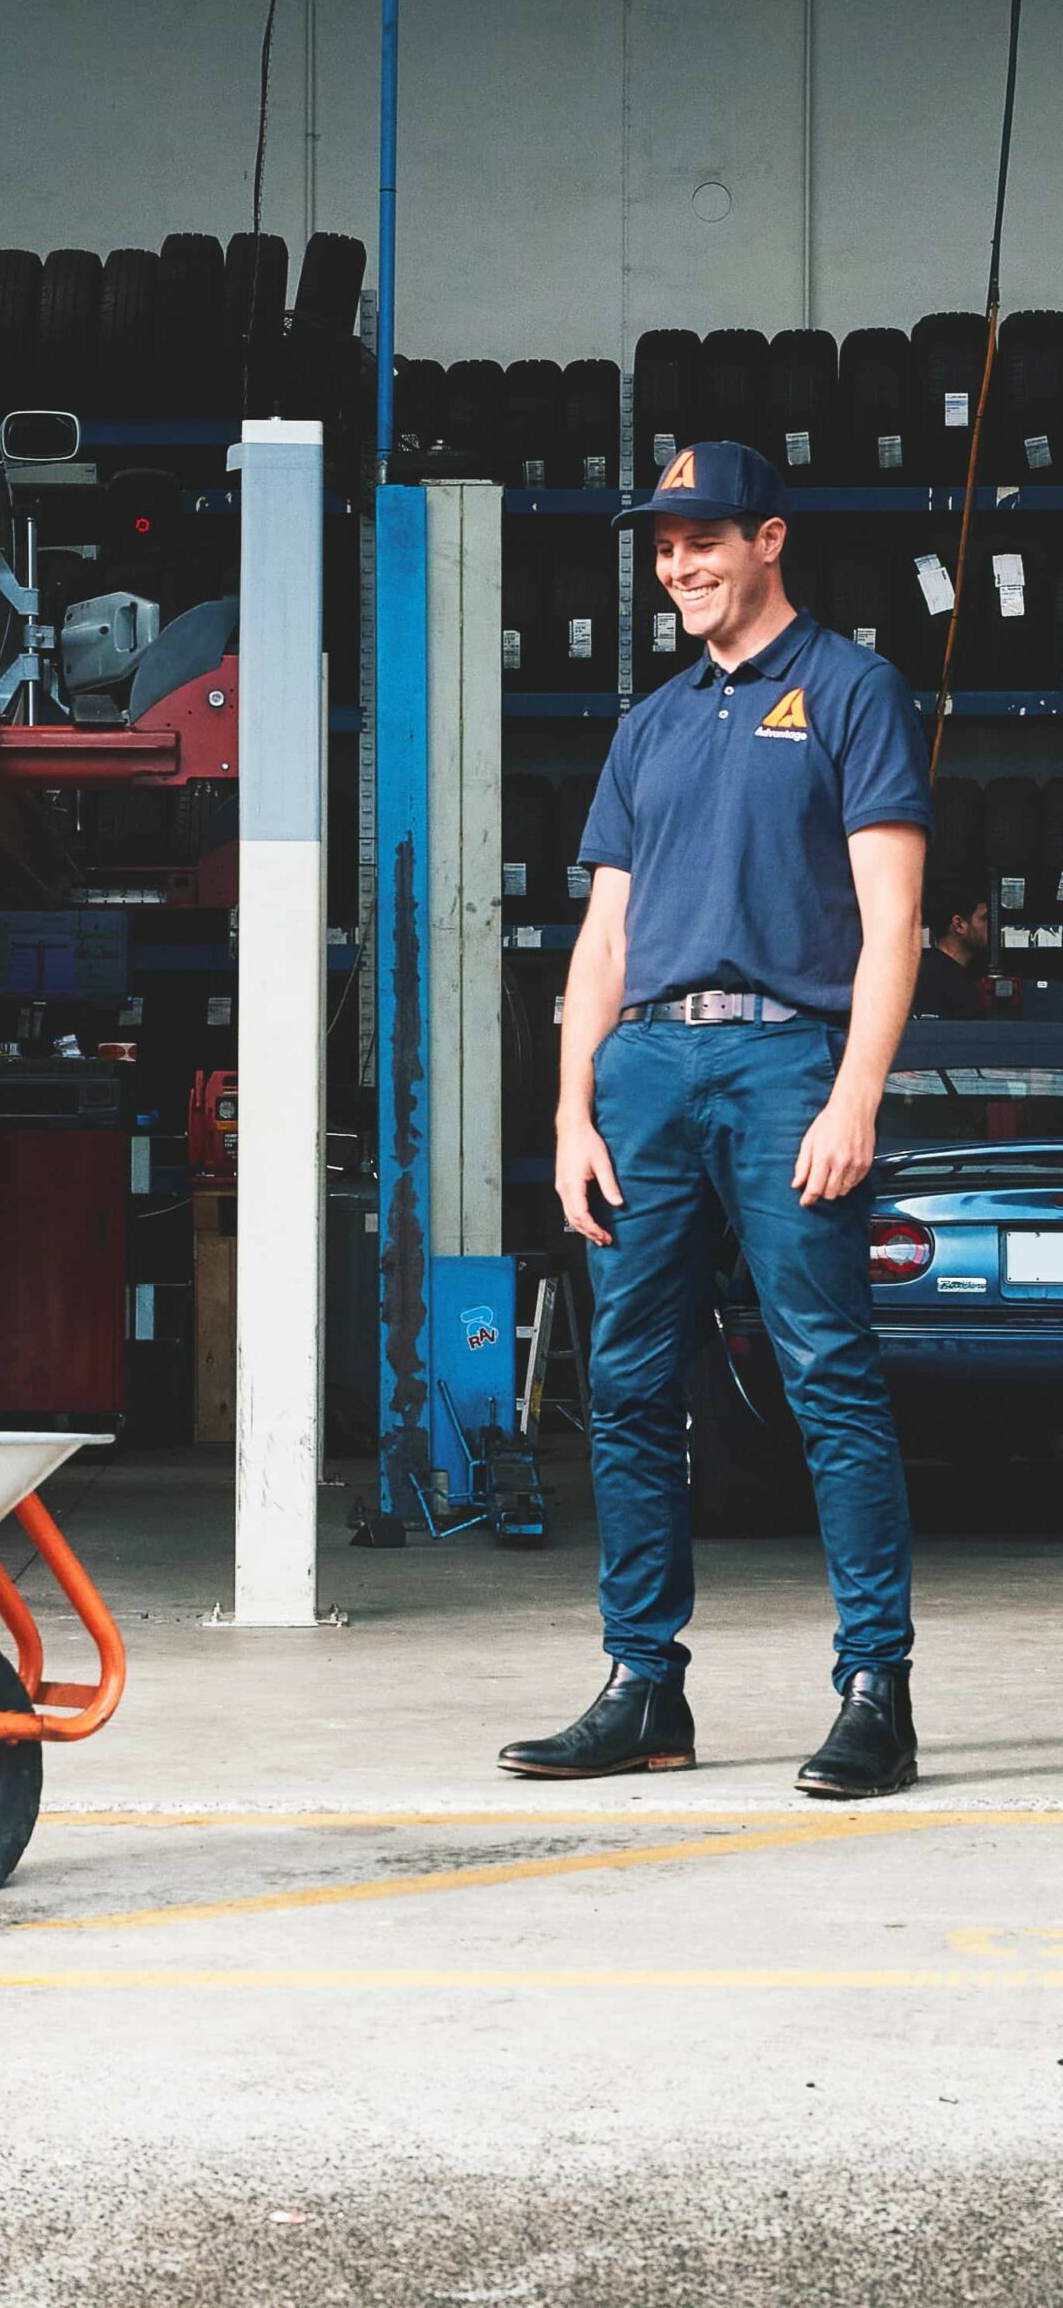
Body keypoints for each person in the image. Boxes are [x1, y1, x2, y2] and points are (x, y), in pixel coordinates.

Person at [503, 440, 930, 1800]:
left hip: (785, 1065)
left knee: (826, 1375)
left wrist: (854, 1094)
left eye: (703, 540)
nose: (678, 565)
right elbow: (604, 938)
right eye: (664, 546)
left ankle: (875, 1691)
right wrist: (571, 1112)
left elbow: (893, 922)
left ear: (769, 540)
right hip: (644, 1074)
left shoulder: (851, 691)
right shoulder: (652, 725)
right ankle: (644, 1688)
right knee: (628, 1386)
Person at [911, 871, 990, 1019]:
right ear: (959, 925)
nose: (993, 927)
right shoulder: (933, 979)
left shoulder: (960, 974)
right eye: (985, 918)